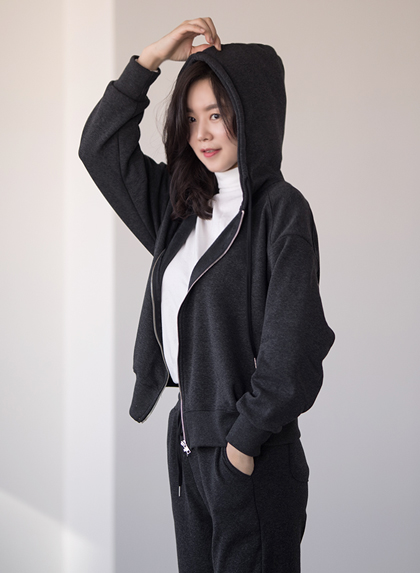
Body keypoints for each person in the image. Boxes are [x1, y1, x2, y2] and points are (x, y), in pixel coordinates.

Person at [79, 17, 335, 573]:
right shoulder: (181, 207)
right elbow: (99, 148)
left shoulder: (281, 212)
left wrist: (242, 444)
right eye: (192, 118)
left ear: (251, 113)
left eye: (217, 114)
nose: (202, 134)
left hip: (251, 453)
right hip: (188, 442)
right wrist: (148, 61)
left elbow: (295, 345)